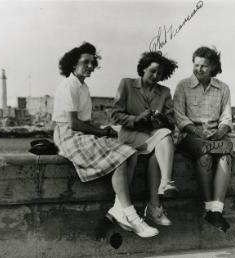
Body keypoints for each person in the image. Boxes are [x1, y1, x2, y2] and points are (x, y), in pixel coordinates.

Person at [52, 42, 158, 238]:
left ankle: (119, 210)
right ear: (73, 64)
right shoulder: (69, 86)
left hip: (80, 134)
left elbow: (84, 121)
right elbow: (73, 124)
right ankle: (131, 216)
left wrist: (100, 130)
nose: (91, 66)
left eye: (93, 62)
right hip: (67, 136)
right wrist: (100, 133)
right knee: (120, 157)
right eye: (86, 62)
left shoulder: (82, 86)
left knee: (131, 153)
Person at [111, 51, 178, 227]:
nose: (156, 76)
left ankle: (154, 207)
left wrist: (162, 119)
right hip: (130, 136)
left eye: (160, 73)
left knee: (158, 154)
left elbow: (171, 123)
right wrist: (136, 118)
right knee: (164, 135)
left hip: (152, 138)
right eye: (153, 71)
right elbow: (115, 115)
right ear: (143, 69)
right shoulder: (126, 84)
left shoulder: (164, 92)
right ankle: (166, 183)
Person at [173, 46, 233, 232]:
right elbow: (179, 116)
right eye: (196, 65)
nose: (198, 69)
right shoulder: (183, 86)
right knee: (206, 155)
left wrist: (220, 132)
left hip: (215, 135)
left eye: (204, 66)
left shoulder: (223, 88)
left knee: (225, 157)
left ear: (213, 66)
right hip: (191, 136)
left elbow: (226, 116)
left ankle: (216, 211)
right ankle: (208, 207)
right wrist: (199, 133)